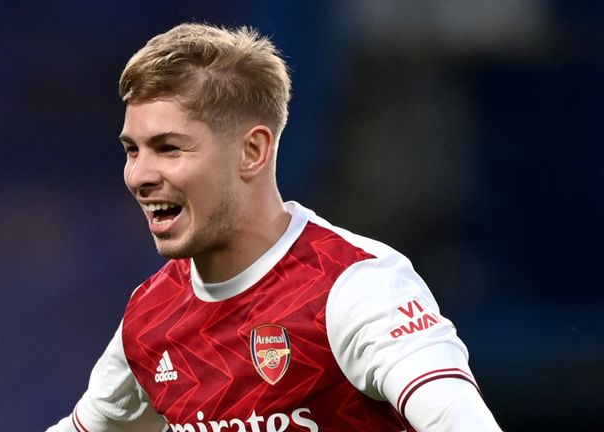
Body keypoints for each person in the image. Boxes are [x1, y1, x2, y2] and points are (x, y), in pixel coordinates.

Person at [47, 23, 501, 432]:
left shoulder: (356, 286)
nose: (139, 176)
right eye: (133, 150)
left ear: (252, 151)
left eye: (168, 148)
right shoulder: (152, 314)